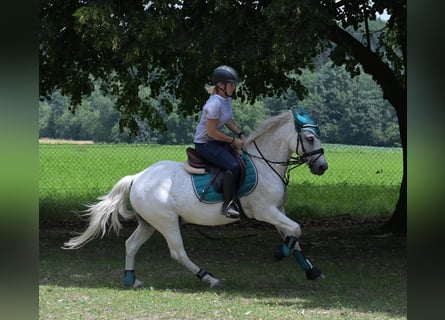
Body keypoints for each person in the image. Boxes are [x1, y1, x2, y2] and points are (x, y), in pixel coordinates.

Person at [193, 65, 246, 219]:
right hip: (205, 144)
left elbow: (227, 119)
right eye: (231, 84)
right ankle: (227, 205)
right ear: (220, 85)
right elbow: (212, 132)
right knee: (233, 165)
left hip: (215, 141)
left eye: (234, 84)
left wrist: (240, 133)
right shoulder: (214, 104)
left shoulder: (225, 99)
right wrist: (233, 140)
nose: (234, 87)